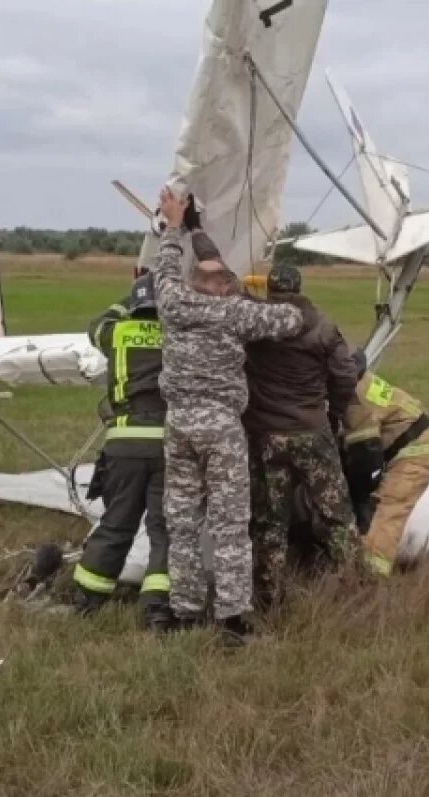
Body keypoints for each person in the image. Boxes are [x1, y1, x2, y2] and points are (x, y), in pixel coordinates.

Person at [150, 186, 306, 644]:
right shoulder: (234, 313)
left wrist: (179, 226)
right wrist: (276, 296)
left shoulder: (173, 304)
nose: (229, 283)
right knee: (231, 525)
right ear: (219, 288)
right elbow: (290, 322)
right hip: (219, 428)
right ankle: (234, 620)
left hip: (178, 425)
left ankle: (184, 611)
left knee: (182, 523)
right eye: (226, 280)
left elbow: (166, 266)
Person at [243, 264, 361, 609]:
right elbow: (344, 376)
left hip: (266, 437)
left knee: (269, 521)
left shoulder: (253, 325)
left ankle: (268, 599)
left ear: (270, 289)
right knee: (337, 515)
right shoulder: (323, 326)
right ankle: (356, 590)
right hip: (312, 432)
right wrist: (335, 415)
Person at [72, 272, 172, 630]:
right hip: (168, 446)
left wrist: (126, 300)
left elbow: (95, 323)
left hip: (124, 443)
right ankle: (158, 608)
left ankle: (87, 599)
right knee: (165, 529)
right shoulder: (178, 336)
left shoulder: (116, 332)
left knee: (116, 523)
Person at [342, 351, 429, 577]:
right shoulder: (359, 379)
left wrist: (357, 494)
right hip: (404, 441)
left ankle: (371, 578)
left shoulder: (354, 397)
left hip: (417, 450)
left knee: (387, 512)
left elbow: (365, 455)